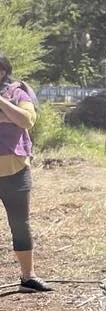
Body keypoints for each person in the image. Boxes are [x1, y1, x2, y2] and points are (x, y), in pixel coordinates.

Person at [0, 56, 47, 292]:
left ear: (2, 72)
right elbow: (17, 119)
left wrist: (1, 102)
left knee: (20, 224)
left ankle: (28, 277)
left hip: (15, 171)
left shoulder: (18, 92)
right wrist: (9, 118)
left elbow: (26, 120)